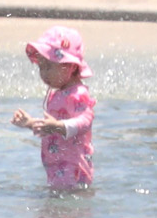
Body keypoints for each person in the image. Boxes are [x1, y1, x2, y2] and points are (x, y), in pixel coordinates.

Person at [10, 26, 94, 189]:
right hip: (57, 168)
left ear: (70, 66)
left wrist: (59, 126)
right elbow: (52, 129)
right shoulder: (58, 94)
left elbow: (85, 121)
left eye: (48, 67)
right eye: (41, 67)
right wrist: (31, 123)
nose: (43, 74)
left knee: (65, 209)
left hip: (73, 169)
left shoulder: (78, 94)